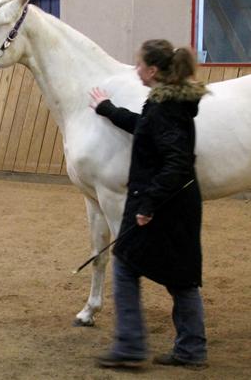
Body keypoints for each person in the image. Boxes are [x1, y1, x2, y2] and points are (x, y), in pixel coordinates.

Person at [89, 39, 208, 369]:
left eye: (139, 64)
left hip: (164, 204)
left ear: (153, 70)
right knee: (181, 278)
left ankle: (129, 347)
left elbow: (177, 161)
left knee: (126, 265)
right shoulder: (166, 103)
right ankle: (191, 350)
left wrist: (148, 204)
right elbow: (146, 129)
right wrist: (108, 110)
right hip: (178, 203)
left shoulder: (165, 107)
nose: (135, 69)